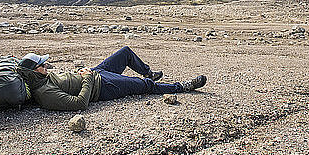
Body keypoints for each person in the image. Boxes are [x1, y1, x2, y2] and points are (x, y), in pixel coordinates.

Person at [17, 46, 207, 111]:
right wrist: (88, 79)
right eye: (42, 65)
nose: (46, 66)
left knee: (125, 53)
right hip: (102, 86)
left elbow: (68, 80)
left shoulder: (43, 78)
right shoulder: (44, 93)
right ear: (34, 71)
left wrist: (85, 72)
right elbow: (79, 104)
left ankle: (148, 72)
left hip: (96, 72)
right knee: (144, 86)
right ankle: (180, 87)